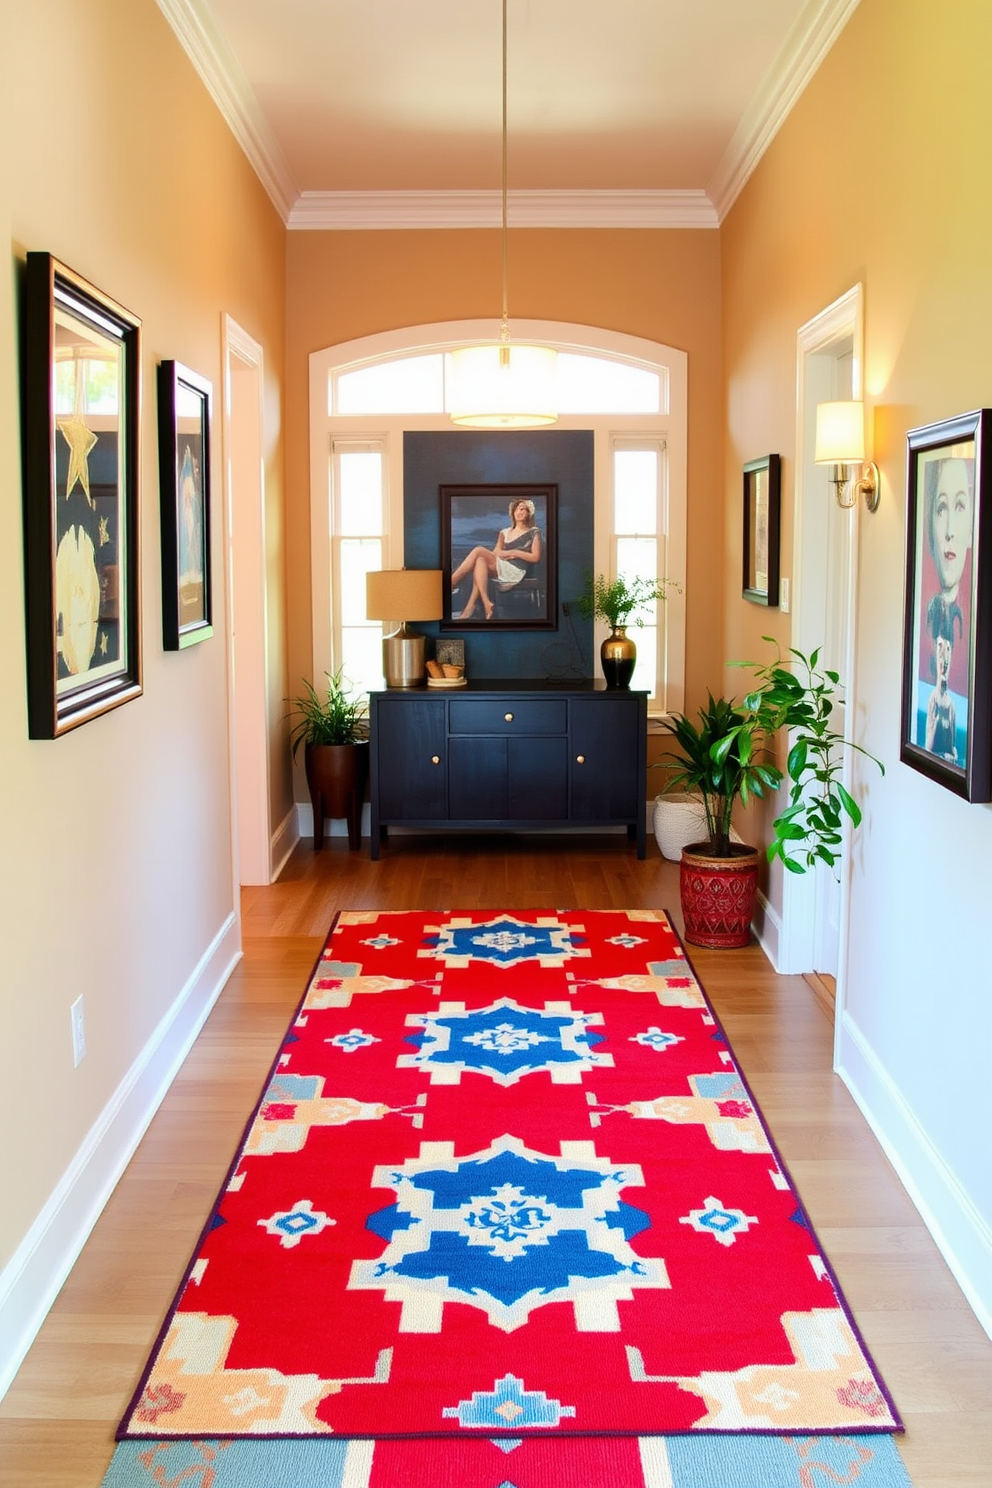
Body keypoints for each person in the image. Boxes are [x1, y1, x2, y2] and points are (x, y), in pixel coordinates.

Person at [450, 497, 543, 620]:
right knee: (480, 560)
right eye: (517, 509)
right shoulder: (504, 532)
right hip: (502, 564)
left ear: (529, 513)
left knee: (478, 550)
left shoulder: (534, 532)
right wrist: (506, 553)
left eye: (524, 510)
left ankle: (452, 583)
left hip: (516, 569)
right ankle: (485, 602)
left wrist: (516, 552)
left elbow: (536, 557)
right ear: (513, 513)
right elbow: (496, 552)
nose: (520, 512)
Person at [924, 594, 962, 761]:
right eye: (940, 647)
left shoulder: (951, 705)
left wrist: (951, 757)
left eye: (948, 649)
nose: (944, 657)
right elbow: (928, 748)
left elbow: (953, 750)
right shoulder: (933, 700)